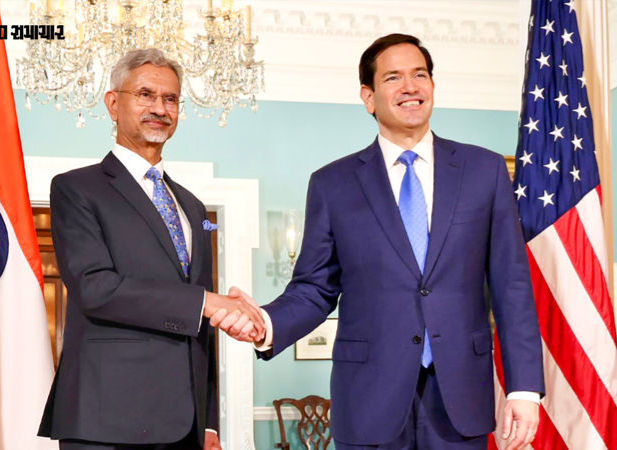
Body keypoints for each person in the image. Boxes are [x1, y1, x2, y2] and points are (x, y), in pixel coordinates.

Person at [213, 34, 544, 449]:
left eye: (419, 75)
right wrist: (266, 323)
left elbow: (512, 286)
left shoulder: (485, 171)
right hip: (368, 401)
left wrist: (524, 389)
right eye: (393, 77)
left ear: (432, 86)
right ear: (368, 97)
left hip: (462, 399)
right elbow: (314, 289)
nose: (410, 87)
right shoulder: (333, 184)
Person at [38, 48, 264, 450]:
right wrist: (206, 302)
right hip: (105, 419)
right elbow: (95, 288)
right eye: (145, 94)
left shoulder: (193, 208)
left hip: (185, 427)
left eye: (170, 98)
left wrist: (209, 422)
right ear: (113, 103)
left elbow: (201, 328)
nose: (160, 108)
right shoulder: (76, 188)